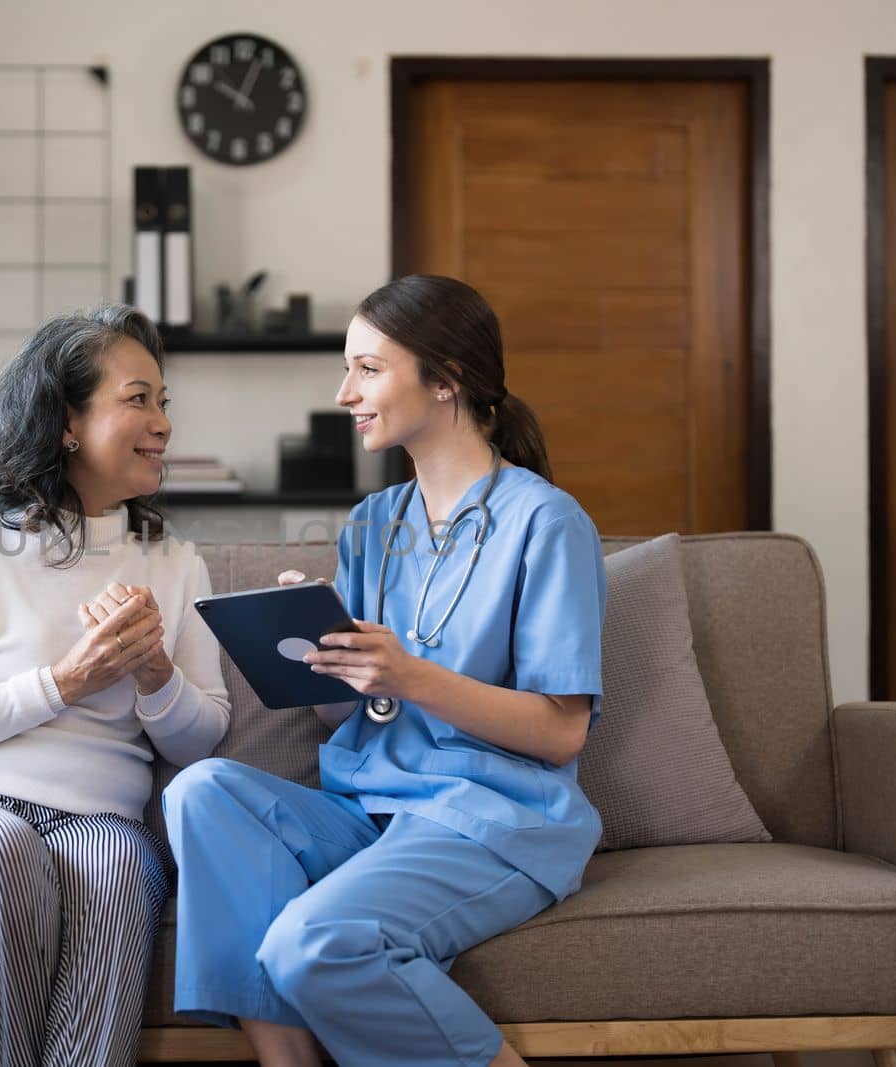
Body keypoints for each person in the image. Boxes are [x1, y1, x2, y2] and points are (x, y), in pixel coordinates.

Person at [163, 275, 606, 1067]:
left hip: (491, 819)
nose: (345, 393)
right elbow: (357, 718)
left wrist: (409, 675)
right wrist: (320, 654)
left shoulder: (546, 522)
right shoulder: (372, 525)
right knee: (201, 790)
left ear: (445, 378)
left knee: (314, 940)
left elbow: (561, 732)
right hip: (371, 811)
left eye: (367, 369)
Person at [0, 304, 231, 1067]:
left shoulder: (174, 563)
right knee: (0, 851)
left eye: (164, 402)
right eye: (138, 399)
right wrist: (67, 681)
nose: (162, 422)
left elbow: (203, 736)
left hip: (94, 817)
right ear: (68, 420)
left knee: (124, 866)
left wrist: (155, 672)